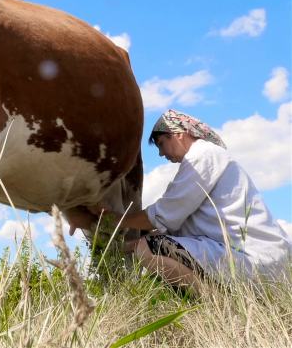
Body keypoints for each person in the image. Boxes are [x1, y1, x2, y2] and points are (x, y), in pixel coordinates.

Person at [69, 109, 292, 291]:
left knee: (150, 249)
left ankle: (216, 305)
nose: (161, 154)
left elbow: (161, 216)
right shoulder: (206, 159)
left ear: (177, 134)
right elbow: (168, 224)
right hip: (257, 258)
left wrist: (113, 220)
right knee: (152, 243)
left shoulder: (202, 156)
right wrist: (114, 243)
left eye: (160, 144)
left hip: (258, 260)